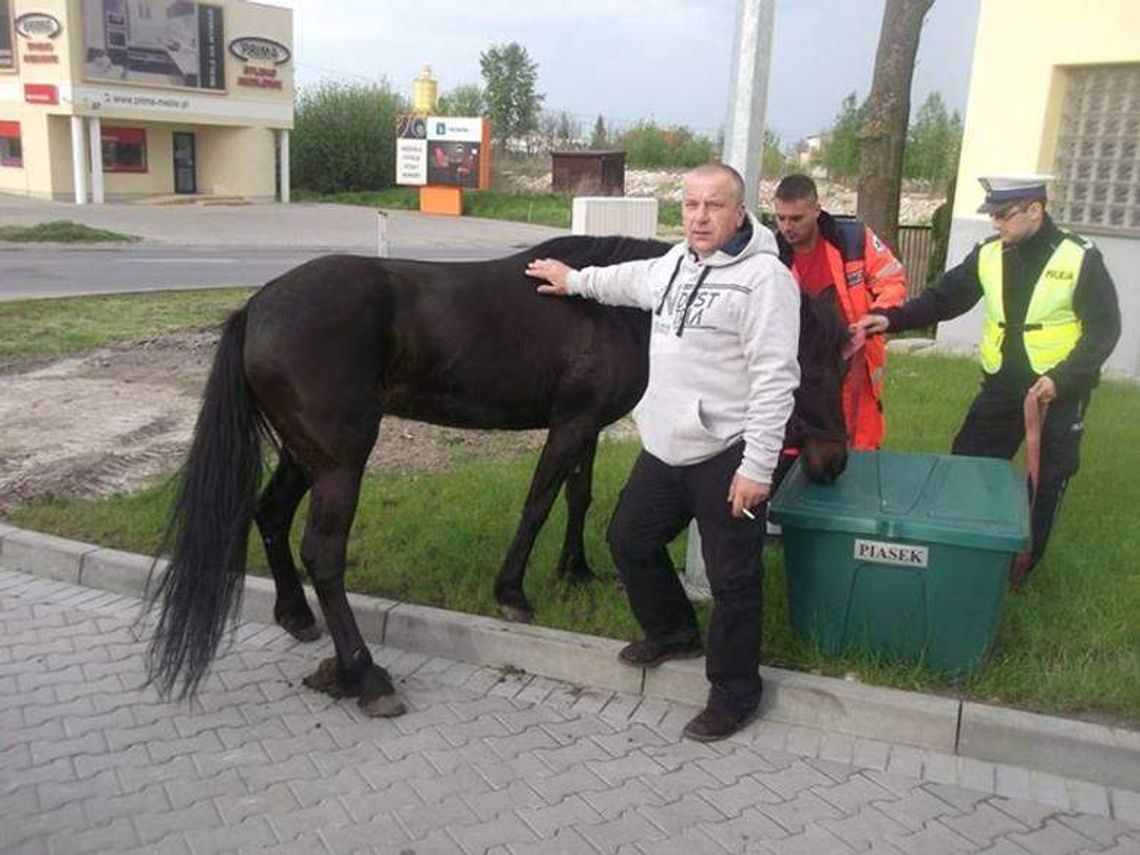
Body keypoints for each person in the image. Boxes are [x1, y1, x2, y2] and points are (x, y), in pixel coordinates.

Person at [525, 163, 800, 742]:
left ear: (739, 209)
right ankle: (674, 631)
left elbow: (777, 380)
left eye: (714, 206)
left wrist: (758, 467)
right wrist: (574, 279)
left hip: (728, 453)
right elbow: (629, 281)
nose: (699, 217)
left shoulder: (766, 281)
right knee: (630, 539)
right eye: (691, 204)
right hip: (666, 446)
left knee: (733, 581)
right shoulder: (678, 263)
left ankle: (734, 693)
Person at [852, 175, 1121, 585]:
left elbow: (1104, 329)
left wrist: (1062, 379)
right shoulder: (990, 254)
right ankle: (966, 557)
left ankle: (1019, 572)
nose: (996, 224)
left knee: (1045, 481)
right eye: (992, 215)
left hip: (1056, 395)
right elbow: (944, 299)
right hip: (1001, 387)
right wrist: (891, 318)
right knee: (969, 468)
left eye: (1004, 215)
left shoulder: (1078, 257)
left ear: (1036, 210)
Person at [772, 173, 908, 451]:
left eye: (796, 218)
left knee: (861, 439)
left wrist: (878, 315)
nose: (787, 227)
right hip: (800, 366)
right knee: (796, 443)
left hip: (856, 358)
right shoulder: (771, 255)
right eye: (780, 218)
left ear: (817, 210)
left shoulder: (853, 239)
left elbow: (891, 279)